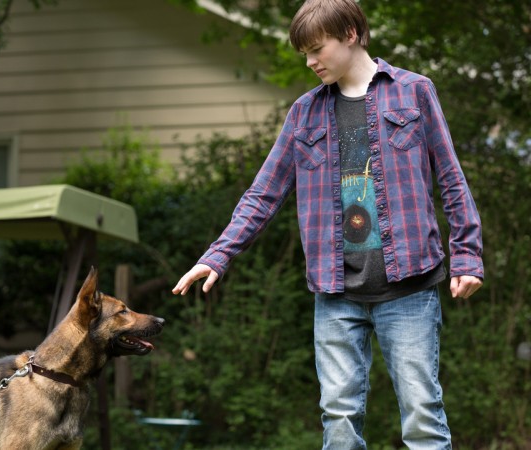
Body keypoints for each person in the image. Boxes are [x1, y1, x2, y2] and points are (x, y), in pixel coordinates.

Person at [172, 0, 484, 448]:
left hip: (410, 287)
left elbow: (451, 178)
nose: (310, 62)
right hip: (336, 293)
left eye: (317, 49)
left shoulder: (413, 91)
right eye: (305, 53)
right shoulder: (305, 113)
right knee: (338, 419)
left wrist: (467, 256)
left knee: (422, 416)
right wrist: (218, 255)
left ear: (351, 34)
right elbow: (263, 194)